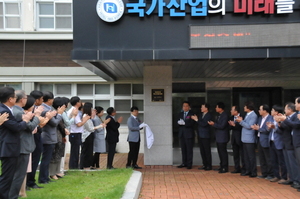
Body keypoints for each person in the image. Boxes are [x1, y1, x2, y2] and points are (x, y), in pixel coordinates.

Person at [0, 87, 34, 199]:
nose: (16, 99)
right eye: (15, 97)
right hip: (8, 147)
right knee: (7, 177)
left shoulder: (7, 109)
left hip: (10, 147)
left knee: (8, 176)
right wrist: (26, 120)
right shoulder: (3, 110)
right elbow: (16, 127)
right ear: (10, 99)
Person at [9, 92, 42, 199]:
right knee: (19, 174)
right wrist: (37, 115)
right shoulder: (18, 112)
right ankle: (13, 195)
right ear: (22, 99)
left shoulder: (17, 110)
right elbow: (31, 126)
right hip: (22, 145)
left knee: (17, 174)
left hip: (19, 145)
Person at [38, 92, 65, 184]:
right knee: (46, 159)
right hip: (48, 136)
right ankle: (43, 178)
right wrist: (60, 114)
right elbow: (54, 123)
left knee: (47, 158)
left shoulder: (48, 108)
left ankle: (45, 177)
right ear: (50, 100)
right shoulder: (45, 110)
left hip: (49, 136)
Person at [276, 102, 300, 190]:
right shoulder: (290, 117)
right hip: (287, 142)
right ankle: (292, 179)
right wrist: (279, 123)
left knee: (294, 164)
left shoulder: (295, 116)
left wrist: (284, 120)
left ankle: (297, 180)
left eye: (285, 109)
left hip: (292, 143)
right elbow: (285, 128)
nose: (284, 111)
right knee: (289, 163)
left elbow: (293, 126)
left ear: (290, 109)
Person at [80, 103, 108, 170]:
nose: (93, 111)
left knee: (89, 152)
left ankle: (87, 166)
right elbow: (90, 128)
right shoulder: (85, 117)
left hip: (89, 135)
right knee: (86, 152)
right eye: (91, 110)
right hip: (87, 136)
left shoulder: (88, 117)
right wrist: (101, 126)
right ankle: (85, 166)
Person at [27, 90, 45, 189]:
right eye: (41, 99)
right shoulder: (31, 110)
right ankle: (30, 181)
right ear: (36, 100)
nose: (42, 100)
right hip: (33, 135)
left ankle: (31, 180)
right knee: (33, 159)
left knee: (36, 158)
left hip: (37, 134)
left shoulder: (37, 109)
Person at [49, 97, 70, 180]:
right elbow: (58, 124)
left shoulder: (59, 114)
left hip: (60, 136)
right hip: (56, 136)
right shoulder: (55, 113)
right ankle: (52, 173)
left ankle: (57, 172)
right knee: (55, 156)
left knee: (59, 155)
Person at [236, 101, 258, 178]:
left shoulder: (253, 115)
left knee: (251, 156)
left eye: (245, 106)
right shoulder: (247, 114)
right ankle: (247, 170)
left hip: (249, 138)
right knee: (246, 156)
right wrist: (241, 121)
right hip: (245, 138)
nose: (244, 108)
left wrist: (241, 121)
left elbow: (249, 126)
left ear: (249, 107)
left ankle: (253, 171)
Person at [251, 104, 273, 180]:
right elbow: (258, 127)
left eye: (260, 109)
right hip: (259, 139)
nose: (259, 111)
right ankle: (264, 173)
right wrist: (255, 128)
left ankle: (270, 174)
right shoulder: (260, 118)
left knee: (268, 158)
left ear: (265, 110)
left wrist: (258, 128)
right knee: (261, 158)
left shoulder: (270, 118)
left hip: (266, 140)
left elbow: (267, 130)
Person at [67, 96, 90, 169]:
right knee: (75, 151)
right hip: (75, 133)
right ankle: (73, 167)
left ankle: (74, 166)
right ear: (77, 103)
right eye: (80, 102)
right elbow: (79, 124)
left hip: (75, 133)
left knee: (76, 151)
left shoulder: (75, 109)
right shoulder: (74, 110)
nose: (81, 103)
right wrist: (85, 119)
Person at [266, 105, 287, 183]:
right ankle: (276, 175)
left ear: (276, 112)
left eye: (272, 110)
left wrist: (274, 127)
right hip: (271, 141)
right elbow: (268, 130)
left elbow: (282, 131)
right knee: (273, 160)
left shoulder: (281, 119)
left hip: (279, 142)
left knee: (281, 161)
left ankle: (284, 177)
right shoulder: (271, 118)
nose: (271, 112)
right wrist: (269, 127)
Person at [208, 102, 229, 173]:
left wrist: (214, 124)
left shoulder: (225, 115)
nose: (215, 109)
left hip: (223, 137)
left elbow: (222, 126)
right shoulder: (219, 115)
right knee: (220, 152)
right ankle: (221, 165)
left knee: (223, 152)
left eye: (217, 107)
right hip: (218, 136)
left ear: (220, 108)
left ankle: (225, 167)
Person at [191, 103, 212, 171]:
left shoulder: (209, 115)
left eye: (202, 107)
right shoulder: (201, 115)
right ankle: (204, 164)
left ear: (206, 108)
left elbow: (204, 124)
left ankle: (209, 165)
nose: (201, 108)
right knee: (202, 151)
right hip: (200, 135)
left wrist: (196, 120)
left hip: (206, 135)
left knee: (207, 151)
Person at [177, 101, 195, 169]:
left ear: (189, 107)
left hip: (189, 134)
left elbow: (193, 123)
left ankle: (189, 164)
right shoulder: (180, 114)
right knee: (183, 149)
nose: (185, 107)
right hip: (182, 134)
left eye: (186, 106)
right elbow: (177, 122)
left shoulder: (192, 114)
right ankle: (184, 162)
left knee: (189, 149)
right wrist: (179, 123)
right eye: (184, 106)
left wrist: (185, 124)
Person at [228, 105, 245, 174]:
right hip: (234, 138)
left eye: (232, 110)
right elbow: (229, 127)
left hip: (241, 138)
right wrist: (231, 125)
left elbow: (242, 127)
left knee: (243, 154)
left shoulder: (242, 117)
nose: (231, 111)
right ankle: (237, 168)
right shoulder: (231, 118)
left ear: (236, 111)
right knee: (235, 154)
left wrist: (235, 125)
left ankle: (244, 168)